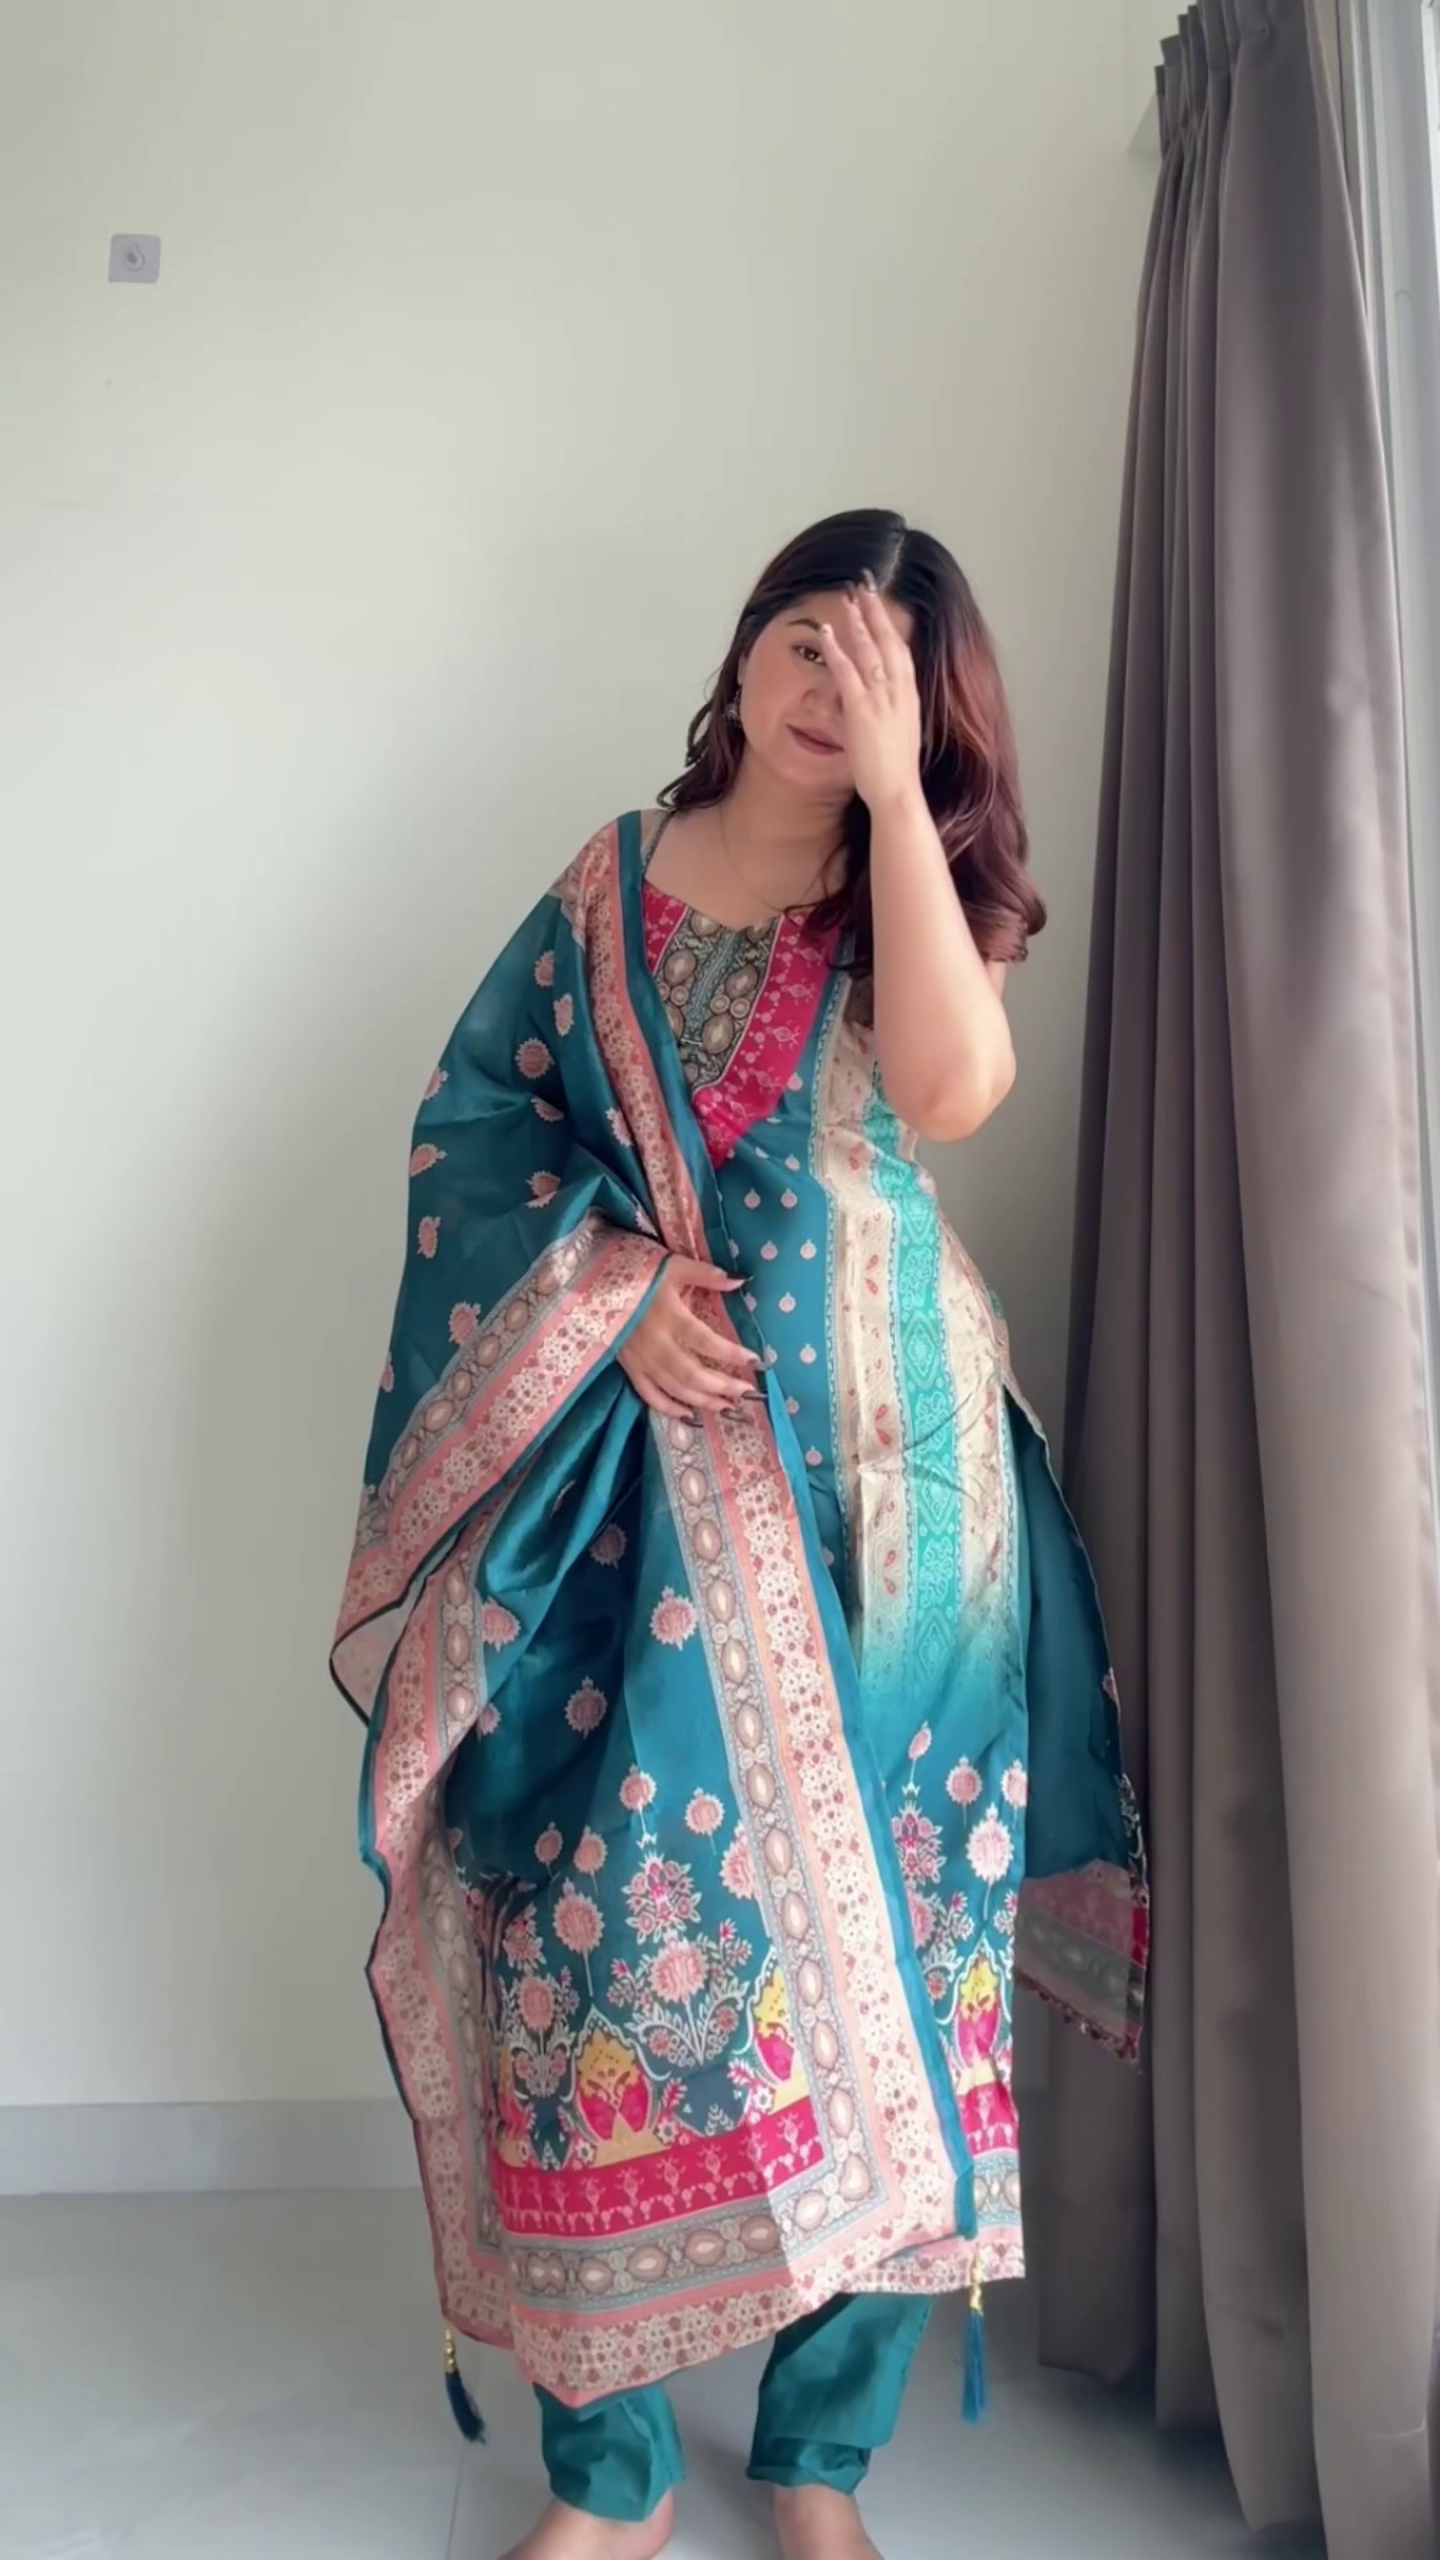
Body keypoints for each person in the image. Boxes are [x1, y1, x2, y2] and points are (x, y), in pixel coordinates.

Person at [331, 510, 1148, 2560]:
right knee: (598, 1951)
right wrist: (607, 1295)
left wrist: (900, 810)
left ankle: (817, 2459)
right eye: (803, 636)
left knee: (906, 1957)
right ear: (744, 646)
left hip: (903, 1498)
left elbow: (953, 1093)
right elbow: (476, 1128)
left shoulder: (923, 888)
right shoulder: (609, 885)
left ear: (928, 710)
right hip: (634, 1501)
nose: (823, 682)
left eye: (877, 665)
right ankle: (608, 2479)